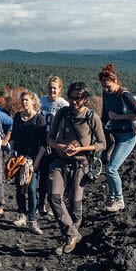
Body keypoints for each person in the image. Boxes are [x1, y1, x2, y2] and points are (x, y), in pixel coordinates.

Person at [48, 82, 106, 255]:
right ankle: (72, 234)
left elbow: (102, 143)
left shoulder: (91, 117)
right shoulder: (62, 113)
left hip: (80, 163)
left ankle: (69, 238)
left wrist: (81, 149)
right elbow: (50, 139)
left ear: (85, 99)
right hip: (60, 161)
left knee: (75, 203)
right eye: (71, 97)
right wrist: (62, 147)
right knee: (54, 196)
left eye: (78, 99)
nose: (73, 101)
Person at [99, 63, 136, 212]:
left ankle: (119, 200)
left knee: (112, 168)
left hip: (128, 136)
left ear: (115, 82)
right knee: (107, 167)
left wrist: (119, 117)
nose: (106, 90)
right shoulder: (106, 94)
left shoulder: (124, 94)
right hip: (114, 135)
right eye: (104, 87)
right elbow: (105, 115)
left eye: (109, 87)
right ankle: (111, 199)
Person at [10, 91, 47, 235]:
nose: (24, 102)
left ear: (33, 101)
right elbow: (13, 136)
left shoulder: (40, 119)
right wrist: (12, 150)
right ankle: (21, 215)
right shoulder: (18, 117)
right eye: (22, 100)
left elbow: (44, 143)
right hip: (19, 158)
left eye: (26, 100)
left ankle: (33, 219)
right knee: (20, 187)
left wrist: (37, 160)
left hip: (33, 158)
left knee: (31, 189)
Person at [38, 76, 69, 216]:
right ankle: (41, 203)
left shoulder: (64, 105)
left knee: (55, 175)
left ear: (60, 89)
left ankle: (54, 203)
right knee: (43, 174)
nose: (52, 90)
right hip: (42, 142)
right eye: (50, 87)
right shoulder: (41, 101)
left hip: (56, 144)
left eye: (55, 88)